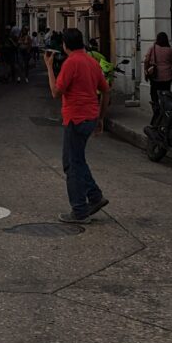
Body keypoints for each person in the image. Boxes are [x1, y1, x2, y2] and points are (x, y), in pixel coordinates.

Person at [45, 28, 111, 223]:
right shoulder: (92, 62)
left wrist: (49, 67)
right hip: (90, 117)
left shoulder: (70, 62)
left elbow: (56, 92)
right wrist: (100, 118)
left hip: (75, 118)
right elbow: (106, 91)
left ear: (65, 45)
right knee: (78, 160)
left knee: (71, 164)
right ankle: (95, 196)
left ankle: (80, 210)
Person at [144, 32, 172, 124]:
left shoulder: (153, 48)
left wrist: (146, 71)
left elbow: (146, 60)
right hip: (167, 77)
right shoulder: (169, 50)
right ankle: (164, 113)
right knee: (166, 95)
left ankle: (157, 110)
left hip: (155, 77)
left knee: (154, 95)